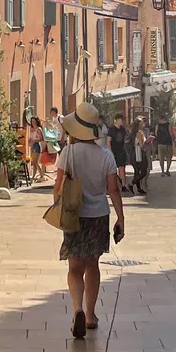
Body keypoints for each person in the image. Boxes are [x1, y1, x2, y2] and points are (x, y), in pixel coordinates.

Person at [54, 99, 125, 338]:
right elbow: (113, 190)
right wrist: (121, 219)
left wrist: (58, 206)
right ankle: (91, 314)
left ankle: (77, 310)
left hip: (74, 215)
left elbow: (58, 186)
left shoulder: (68, 153)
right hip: (98, 215)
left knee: (74, 267)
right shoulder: (106, 156)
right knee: (92, 265)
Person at [130, 116, 150, 196]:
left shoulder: (134, 132)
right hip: (139, 153)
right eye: (142, 123)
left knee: (137, 171)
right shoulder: (139, 133)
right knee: (144, 171)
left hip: (135, 153)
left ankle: (139, 188)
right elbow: (141, 145)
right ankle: (132, 183)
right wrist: (147, 142)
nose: (144, 124)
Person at [27, 116, 44, 183]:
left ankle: (39, 176)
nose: (33, 123)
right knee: (34, 162)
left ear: (36, 122)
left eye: (34, 121)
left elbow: (41, 139)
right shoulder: (31, 129)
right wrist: (29, 141)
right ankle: (36, 176)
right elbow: (31, 137)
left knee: (35, 162)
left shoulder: (38, 129)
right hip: (32, 146)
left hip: (37, 145)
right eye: (32, 121)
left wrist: (34, 141)